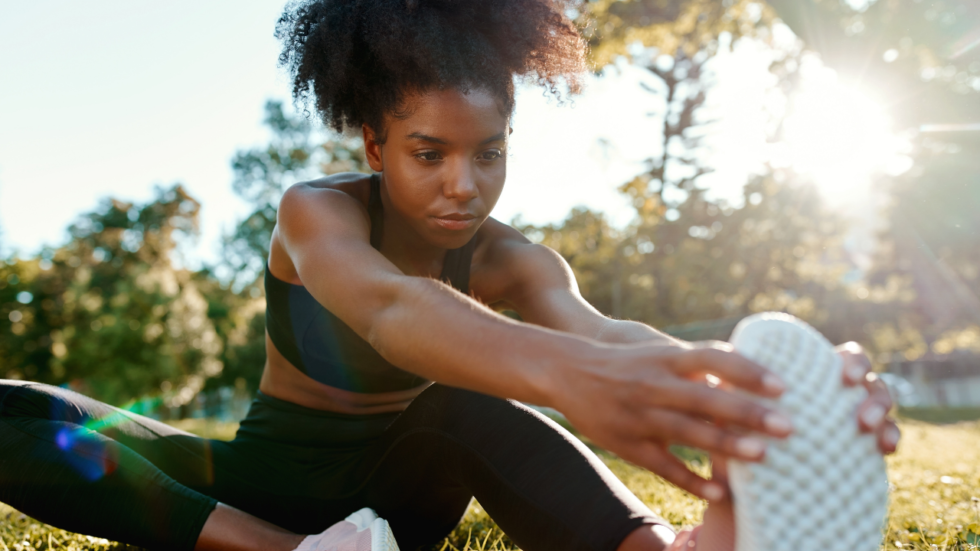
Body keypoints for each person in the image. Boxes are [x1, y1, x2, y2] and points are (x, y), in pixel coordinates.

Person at [0, 1, 900, 550]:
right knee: (17, 412)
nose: (461, 185)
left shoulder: (512, 255)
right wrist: (560, 369)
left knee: (461, 406)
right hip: (262, 482)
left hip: (403, 490)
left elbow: (601, 335)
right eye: (428, 154)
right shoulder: (317, 211)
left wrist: (765, 395)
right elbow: (391, 305)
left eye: (488, 153)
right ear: (375, 143)